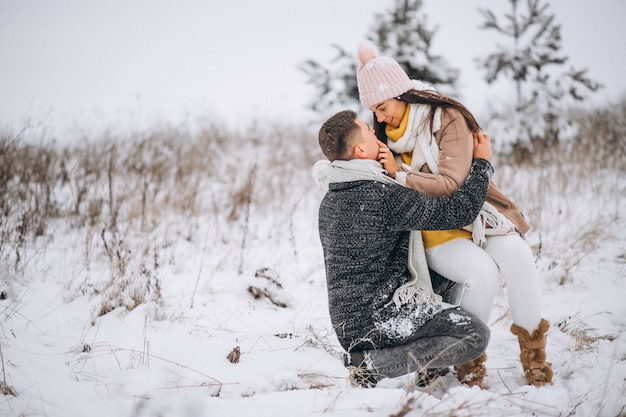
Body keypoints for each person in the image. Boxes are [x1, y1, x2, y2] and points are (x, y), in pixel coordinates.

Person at [355, 42, 553, 387]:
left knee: (520, 257)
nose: (381, 116)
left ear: (402, 93)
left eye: (383, 107)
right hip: (433, 229)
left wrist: (402, 176)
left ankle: (534, 358)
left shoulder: (447, 119)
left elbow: (453, 183)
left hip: (475, 214)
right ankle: (468, 360)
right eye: (374, 110)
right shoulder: (381, 138)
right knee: (482, 273)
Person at [313, 109, 494, 388]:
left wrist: (395, 173)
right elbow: (460, 211)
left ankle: (430, 371)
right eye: (368, 131)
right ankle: (369, 366)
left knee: (443, 273)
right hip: (376, 320)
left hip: (348, 320)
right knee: (474, 336)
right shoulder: (381, 195)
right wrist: (481, 164)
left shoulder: (333, 196)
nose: (376, 132)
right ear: (361, 150)